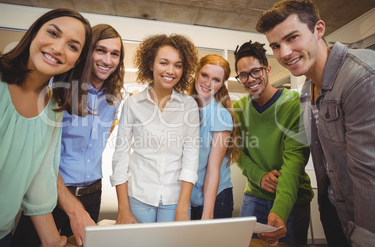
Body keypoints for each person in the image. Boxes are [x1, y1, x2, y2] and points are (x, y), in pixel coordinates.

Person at [256, 0, 375, 247]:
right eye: (275, 45)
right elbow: (313, 159)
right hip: (334, 211)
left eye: (292, 38)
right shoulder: (306, 94)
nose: (284, 53)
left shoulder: (361, 78)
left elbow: (369, 175)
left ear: (318, 29)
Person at [0, 8, 92, 247]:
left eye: (72, 46)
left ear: (76, 62)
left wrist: (51, 239)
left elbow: (39, 175)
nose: (58, 48)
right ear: (33, 33)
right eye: (52, 33)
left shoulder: (53, 108)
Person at [11, 24, 125, 246]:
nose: (107, 60)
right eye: (100, 50)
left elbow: (104, 136)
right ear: (86, 52)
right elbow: (39, 153)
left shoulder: (114, 98)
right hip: (51, 191)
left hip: (92, 194)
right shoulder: (57, 88)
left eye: (115, 54)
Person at [110, 34, 200, 224]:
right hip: (139, 195)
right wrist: (123, 208)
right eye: (164, 63)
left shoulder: (189, 105)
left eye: (178, 65)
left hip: (175, 198)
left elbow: (191, 155)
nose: (171, 70)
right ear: (151, 64)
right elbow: (121, 155)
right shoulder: (133, 104)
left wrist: (183, 207)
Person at [232, 41, 313, 245]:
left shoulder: (293, 104)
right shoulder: (239, 108)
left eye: (255, 71)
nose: (250, 80)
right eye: (243, 75)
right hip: (254, 196)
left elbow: (295, 161)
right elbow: (237, 152)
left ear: (267, 69)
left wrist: (280, 209)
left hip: (291, 198)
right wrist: (259, 177)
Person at [187, 54, 240, 220]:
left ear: (222, 84)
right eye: (204, 75)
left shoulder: (220, 115)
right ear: (196, 73)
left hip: (215, 199)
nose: (208, 84)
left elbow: (213, 169)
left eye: (216, 80)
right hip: (189, 196)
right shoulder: (184, 107)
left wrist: (207, 215)